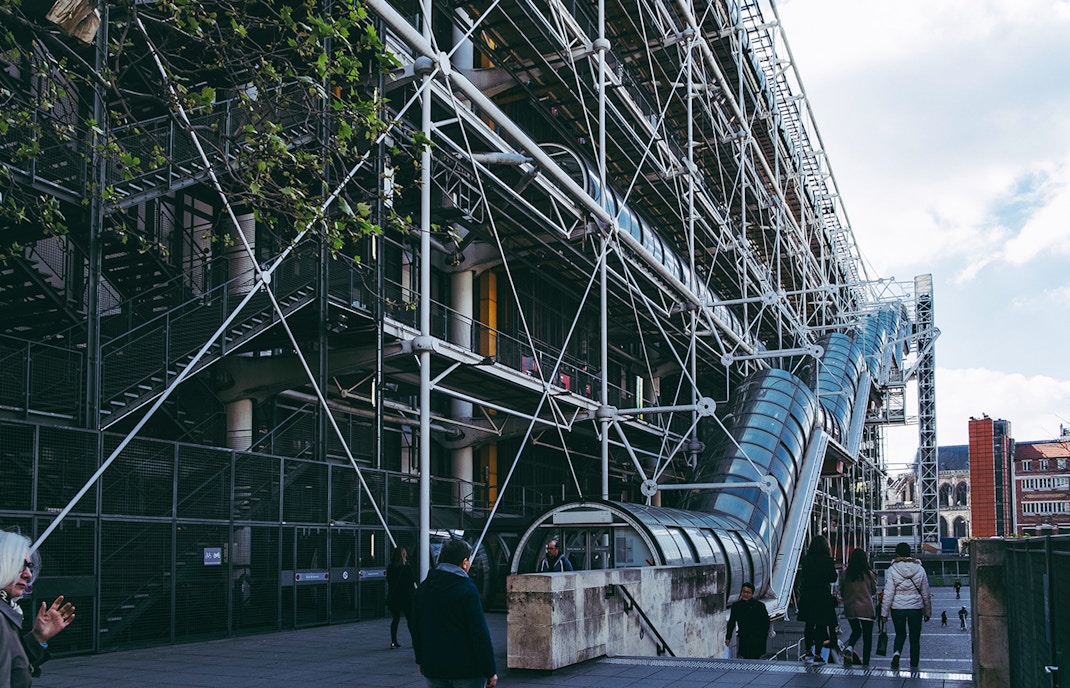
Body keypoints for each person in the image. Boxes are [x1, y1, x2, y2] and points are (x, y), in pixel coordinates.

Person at [412, 539, 497, 688]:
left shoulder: (424, 588)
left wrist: (421, 659)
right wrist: (489, 669)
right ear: (464, 562)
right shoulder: (466, 589)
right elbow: (478, 632)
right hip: (466, 669)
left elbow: (415, 627)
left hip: (434, 666)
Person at [1, 530, 76, 686]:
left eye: (29, 566)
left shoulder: (6, 610)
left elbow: (13, 666)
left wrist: (37, 637)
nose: (28, 574)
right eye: (19, 565)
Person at [881, 542, 931, 671]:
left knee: (900, 634)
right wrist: (927, 611)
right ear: (910, 553)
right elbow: (926, 592)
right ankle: (914, 665)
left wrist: (884, 613)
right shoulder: (920, 569)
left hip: (897, 608)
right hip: (915, 608)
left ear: (897, 554)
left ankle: (897, 653)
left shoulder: (892, 569)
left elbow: (888, 592)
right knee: (915, 638)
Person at [795, 535, 837, 663]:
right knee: (820, 625)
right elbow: (833, 578)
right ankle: (818, 653)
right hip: (822, 595)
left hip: (808, 594)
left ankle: (808, 650)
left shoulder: (807, 560)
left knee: (809, 624)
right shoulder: (828, 561)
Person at [839, 548, 877, 667]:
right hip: (866, 608)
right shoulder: (868, 574)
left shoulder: (845, 573)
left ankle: (850, 647)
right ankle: (866, 662)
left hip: (850, 607)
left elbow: (842, 590)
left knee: (856, 631)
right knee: (867, 636)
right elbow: (873, 591)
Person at [724, 582, 770, 659]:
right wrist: (728, 637)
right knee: (746, 657)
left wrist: (763, 636)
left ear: (752, 594)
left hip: (757, 639)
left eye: (748, 592)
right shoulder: (736, 606)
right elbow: (732, 622)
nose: (745, 594)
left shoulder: (760, 606)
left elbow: (765, 622)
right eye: (743, 592)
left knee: (755, 659)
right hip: (744, 638)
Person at [387, 546, 416, 648]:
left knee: (395, 619)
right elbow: (411, 582)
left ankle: (393, 641)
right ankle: (414, 641)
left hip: (394, 597)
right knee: (410, 619)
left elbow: (389, 581)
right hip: (406, 597)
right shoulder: (406, 568)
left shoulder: (390, 568)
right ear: (403, 555)